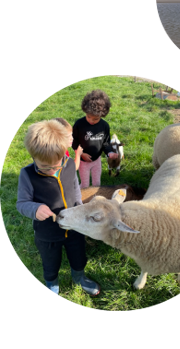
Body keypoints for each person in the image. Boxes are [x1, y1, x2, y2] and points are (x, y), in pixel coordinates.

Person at [16, 120, 101, 296]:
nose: (52, 170)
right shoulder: (27, 174)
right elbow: (21, 203)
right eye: (44, 167)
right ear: (33, 157)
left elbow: (75, 187)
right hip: (47, 233)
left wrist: (80, 207)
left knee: (78, 256)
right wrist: (35, 208)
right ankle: (52, 284)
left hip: (74, 227)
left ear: (64, 152)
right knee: (50, 262)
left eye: (57, 164)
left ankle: (79, 277)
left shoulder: (69, 163)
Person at [71, 90, 118, 189]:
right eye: (88, 117)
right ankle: (80, 201)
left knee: (97, 184)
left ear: (102, 114)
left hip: (97, 161)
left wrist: (109, 153)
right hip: (83, 162)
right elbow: (74, 141)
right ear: (85, 111)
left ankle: (94, 201)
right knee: (85, 185)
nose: (91, 121)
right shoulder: (79, 124)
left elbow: (105, 143)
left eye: (95, 119)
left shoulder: (104, 126)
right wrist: (81, 154)